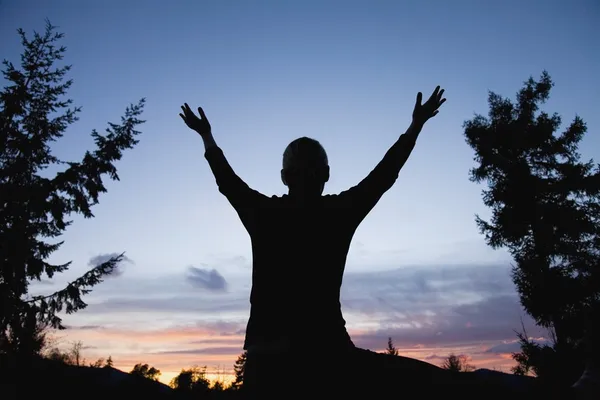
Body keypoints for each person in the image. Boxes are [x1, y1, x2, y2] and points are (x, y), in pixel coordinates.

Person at [179, 88, 571, 398]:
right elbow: (384, 175)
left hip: (282, 363)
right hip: (321, 358)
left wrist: (207, 136)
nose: (304, 179)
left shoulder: (265, 214)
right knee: (436, 384)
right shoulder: (337, 212)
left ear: (284, 177)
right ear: (326, 175)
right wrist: (415, 127)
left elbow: (227, 181)